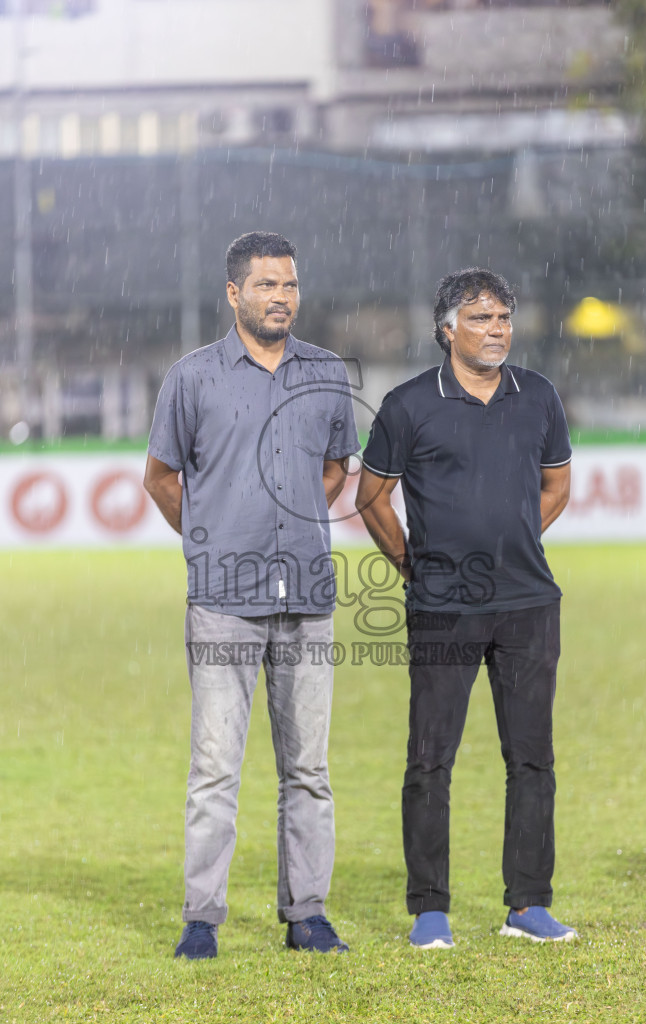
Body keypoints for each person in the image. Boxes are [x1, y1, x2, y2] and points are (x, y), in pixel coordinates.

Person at [144, 231, 359, 958]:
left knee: (309, 769)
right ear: (234, 294)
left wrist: (291, 521)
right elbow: (162, 479)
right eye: (266, 285)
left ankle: (307, 915)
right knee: (214, 768)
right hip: (221, 600)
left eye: (290, 285)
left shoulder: (327, 373)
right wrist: (209, 536)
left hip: (306, 594)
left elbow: (335, 471)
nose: (282, 298)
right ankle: (201, 919)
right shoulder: (192, 377)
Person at [355, 267, 576, 947]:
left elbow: (556, 484)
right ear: (446, 329)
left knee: (531, 760)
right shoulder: (407, 405)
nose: (496, 330)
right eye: (480, 318)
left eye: (504, 317)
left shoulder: (537, 395)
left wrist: (506, 542)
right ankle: (429, 910)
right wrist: (415, 567)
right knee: (429, 759)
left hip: (527, 606)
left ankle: (527, 905)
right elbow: (371, 498)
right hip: (441, 610)